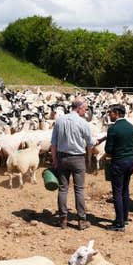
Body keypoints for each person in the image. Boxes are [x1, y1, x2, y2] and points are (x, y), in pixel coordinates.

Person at [51, 96, 96, 230]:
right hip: (78, 159)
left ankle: (63, 219)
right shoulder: (83, 123)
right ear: (79, 108)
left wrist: (54, 160)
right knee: (79, 189)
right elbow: (90, 143)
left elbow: (53, 143)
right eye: (85, 109)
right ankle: (81, 220)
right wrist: (99, 140)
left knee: (63, 188)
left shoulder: (59, 121)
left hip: (63, 158)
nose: (86, 111)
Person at [103, 104, 133, 232]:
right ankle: (125, 217)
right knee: (125, 190)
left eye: (110, 112)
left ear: (116, 113)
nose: (109, 115)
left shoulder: (113, 129)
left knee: (117, 192)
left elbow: (108, 150)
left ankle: (119, 223)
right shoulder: (131, 127)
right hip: (130, 161)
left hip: (118, 162)